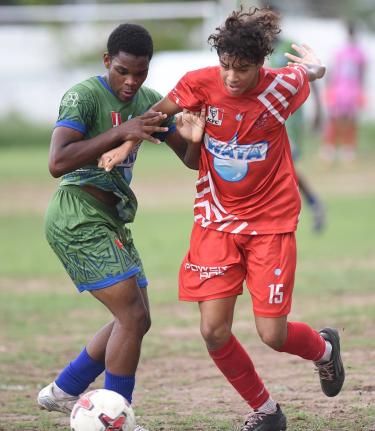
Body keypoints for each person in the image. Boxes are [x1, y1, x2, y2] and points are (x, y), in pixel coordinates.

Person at [99, 6, 345, 431]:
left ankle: (323, 350)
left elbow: (310, 73)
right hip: (216, 222)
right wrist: (124, 146)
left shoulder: (281, 87)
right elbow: (156, 115)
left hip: (271, 224)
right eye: (226, 66)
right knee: (213, 331)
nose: (232, 77)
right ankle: (266, 412)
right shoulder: (200, 83)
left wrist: (319, 69)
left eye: (243, 69)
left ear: (261, 64)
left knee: (273, 335)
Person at [37, 23, 197, 431]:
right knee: (130, 315)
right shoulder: (84, 95)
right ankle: (114, 419)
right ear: (108, 61)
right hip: (77, 213)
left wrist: (195, 137)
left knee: (138, 317)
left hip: (111, 218)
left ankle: (65, 389)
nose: (131, 82)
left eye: (140, 73)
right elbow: (57, 163)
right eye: (123, 71)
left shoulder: (147, 101)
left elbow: (191, 160)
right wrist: (120, 132)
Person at [269, 34, 326, 232]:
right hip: (268, 119)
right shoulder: (256, 49)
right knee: (282, 167)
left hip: (290, 120)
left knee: (285, 165)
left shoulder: (288, 45)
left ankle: (301, 207)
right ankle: (312, 203)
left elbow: (310, 73)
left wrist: (318, 108)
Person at [321, 20, 367, 164]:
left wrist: (360, 90)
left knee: (351, 120)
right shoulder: (339, 51)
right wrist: (329, 89)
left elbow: (362, 73)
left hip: (352, 90)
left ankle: (348, 149)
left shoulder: (360, 53)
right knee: (334, 119)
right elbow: (332, 70)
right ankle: (329, 149)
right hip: (338, 89)